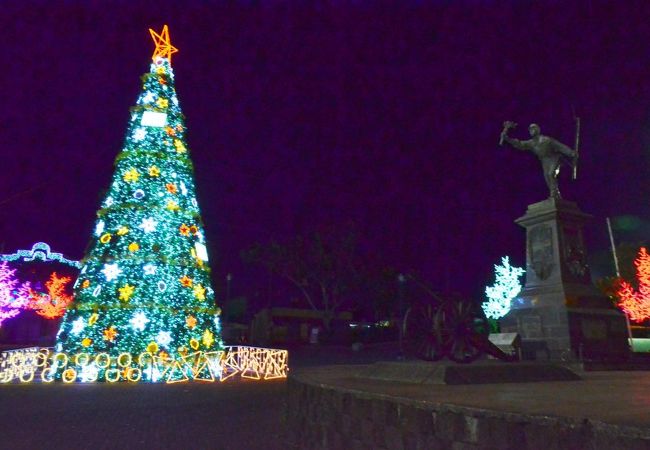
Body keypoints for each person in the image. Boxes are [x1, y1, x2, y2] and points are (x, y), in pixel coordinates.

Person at [500, 122, 577, 199]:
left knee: (551, 174)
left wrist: (570, 152)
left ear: (537, 130)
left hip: (553, 158)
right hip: (544, 160)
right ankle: (556, 194)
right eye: (530, 129)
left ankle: (554, 193)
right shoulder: (531, 143)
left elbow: (559, 146)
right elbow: (519, 144)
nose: (531, 130)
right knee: (547, 176)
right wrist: (507, 139)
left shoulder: (547, 139)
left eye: (533, 128)